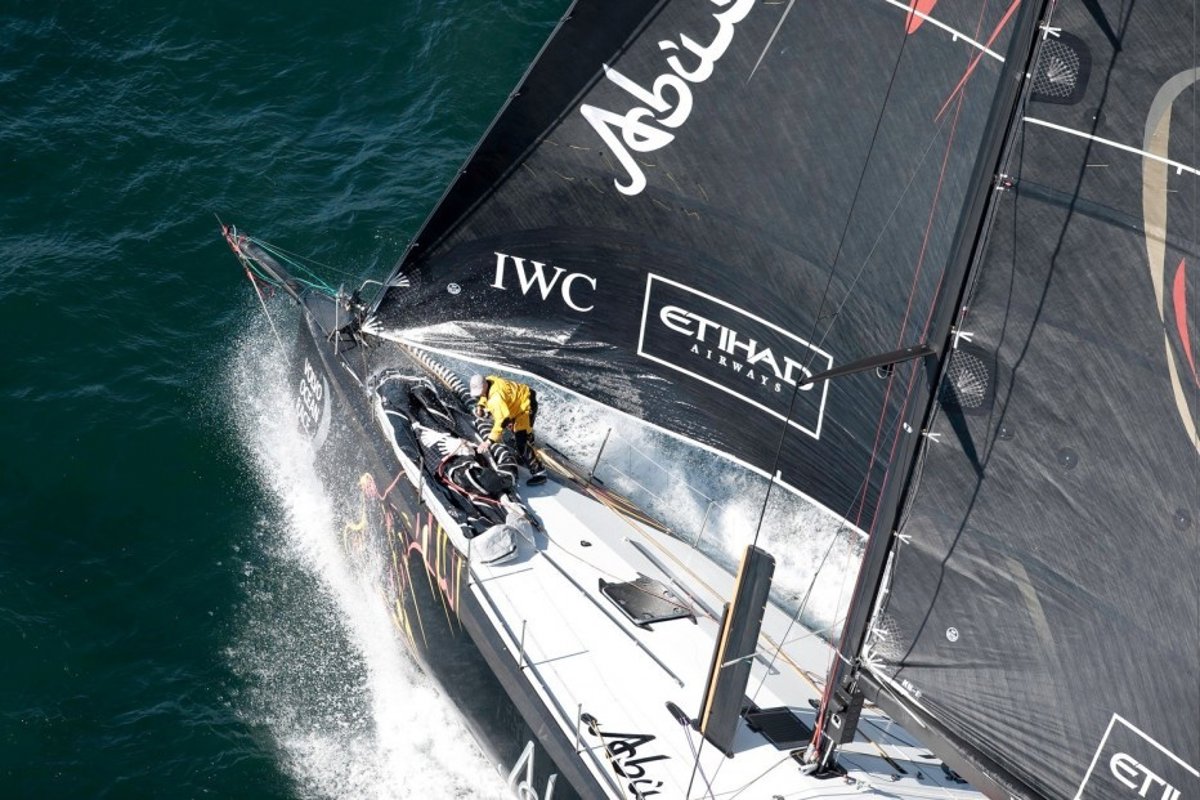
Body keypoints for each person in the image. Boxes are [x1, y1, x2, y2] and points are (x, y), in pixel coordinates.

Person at [471, 373, 547, 485]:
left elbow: (502, 421)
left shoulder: (496, 399)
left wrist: (489, 441)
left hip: (525, 406)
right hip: (519, 400)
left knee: (521, 441)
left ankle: (540, 473)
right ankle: (528, 444)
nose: (479, 395)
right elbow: (485, 394)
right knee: (521, 434)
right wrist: (481, 405)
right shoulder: (489, 380)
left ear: (484, 386)